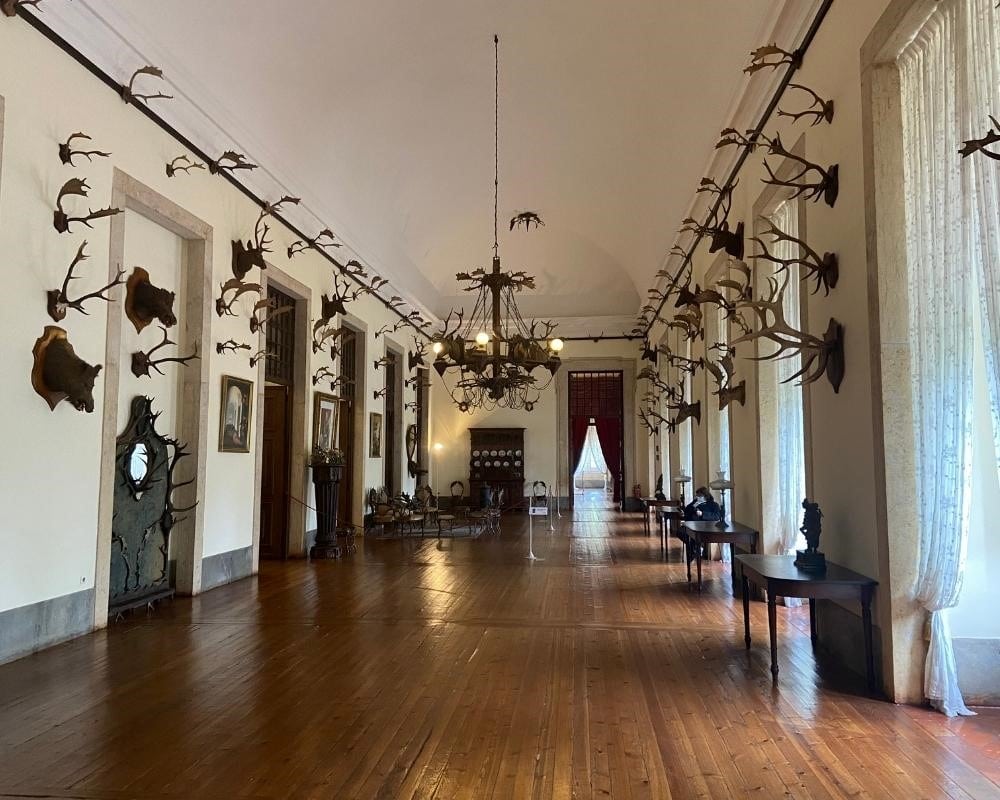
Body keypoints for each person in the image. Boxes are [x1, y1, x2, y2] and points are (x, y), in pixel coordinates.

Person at [684, 487, 722, 561]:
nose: (697, 497)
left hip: (706, 527)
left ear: (705, 495)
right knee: (681, 533)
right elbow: (686, 510)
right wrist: (694, 505)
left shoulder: (714, 504)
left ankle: (695, 551)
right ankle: (695, 549)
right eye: (697, 495)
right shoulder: (696, 502)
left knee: (694, 536)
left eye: (699, 496)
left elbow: (716, 516)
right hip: (693, 525)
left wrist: (702, 514)